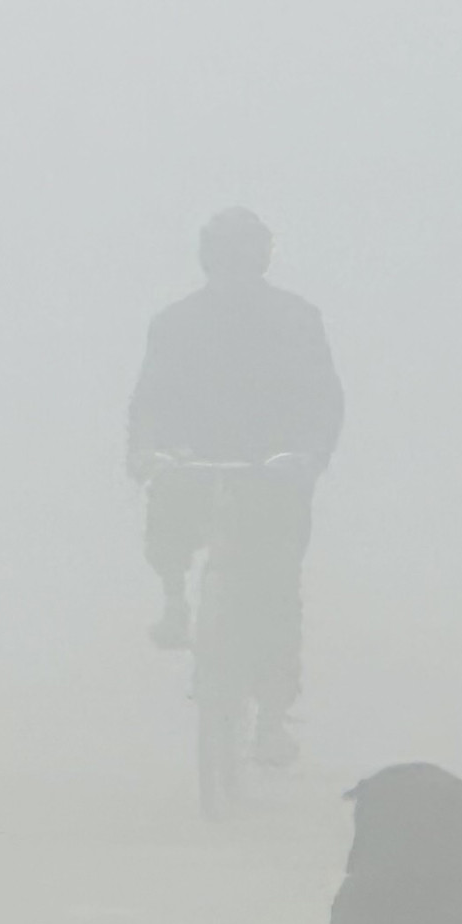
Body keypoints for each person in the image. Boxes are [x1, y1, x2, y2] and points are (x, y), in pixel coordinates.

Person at [126, 207, 345, 764]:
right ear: (208, 264)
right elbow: (149, 401)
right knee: (168, 509)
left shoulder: (297, 320)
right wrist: (147, 454)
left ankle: (271, 720)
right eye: (224, 264)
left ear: (261, 264)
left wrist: (309, 457)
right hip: (196, 464)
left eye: (243, 264)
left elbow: (324, 399)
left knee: (277, 596)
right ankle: (175, 597)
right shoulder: (174, 324)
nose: (234, 276)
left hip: (274, 474)